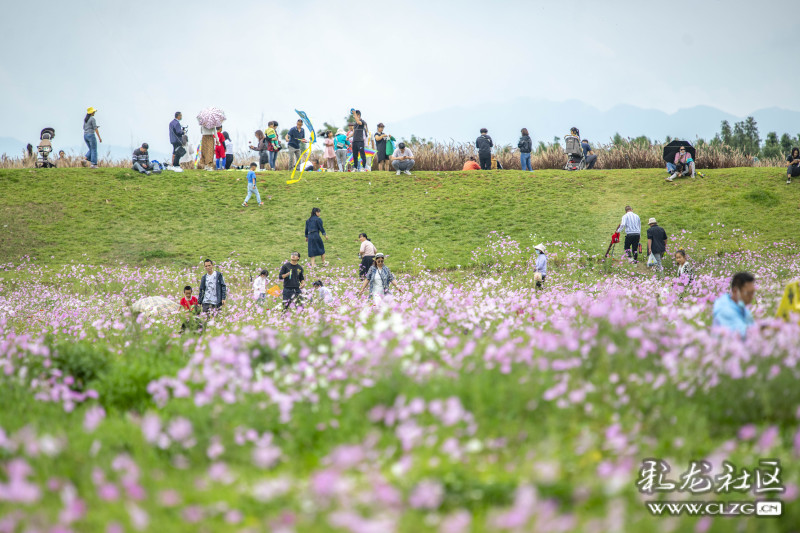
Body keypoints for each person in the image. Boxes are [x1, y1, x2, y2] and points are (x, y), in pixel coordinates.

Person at [712, 272, 756, 338]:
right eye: (748, 293)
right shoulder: (725, 310)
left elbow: (753, 327)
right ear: (735, 291)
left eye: (753, 293)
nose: (752, 297)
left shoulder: (741, 307)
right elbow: (743, 334)